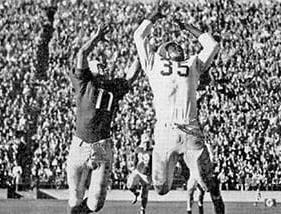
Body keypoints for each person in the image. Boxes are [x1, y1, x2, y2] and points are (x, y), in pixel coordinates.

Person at [133, 1, 225, 213]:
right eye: (172, 45)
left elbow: (212, 46)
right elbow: (211, 45)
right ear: (164, 52)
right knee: (161, 188)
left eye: (178, 45)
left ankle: (215, 196)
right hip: (167, 131)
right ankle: (178, 171)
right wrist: (159, 17)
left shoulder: (188, 63)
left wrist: (179, 24)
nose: (177, 45)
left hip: (189, 129)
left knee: (206, 183)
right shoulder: (156, 62)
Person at [67, 23, 141, 214]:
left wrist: (141, 54)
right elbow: (82, 54)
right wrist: (96, 38)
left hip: (100, 144)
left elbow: (130, 78)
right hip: (81, 143)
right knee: (75, 198)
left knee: (95, 203)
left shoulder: (113, 86)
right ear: (90, 69)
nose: (103, 65)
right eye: (98, 64)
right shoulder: (84, 82)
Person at [127, 133, 153, 214]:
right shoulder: (138, 150)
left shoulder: (153, 152)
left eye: (148, 143)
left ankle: (142, 209)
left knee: (145, 195)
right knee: (130, 185)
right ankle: (135, 193)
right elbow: (135, 160)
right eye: (145, 142)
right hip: (138, 171)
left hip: (147, 175)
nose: (146, 144)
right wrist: (133, 168)